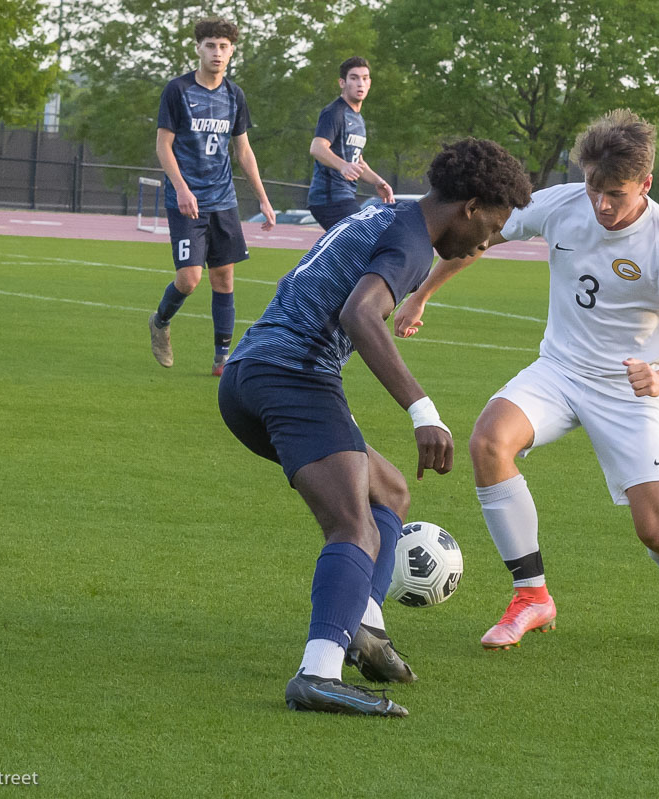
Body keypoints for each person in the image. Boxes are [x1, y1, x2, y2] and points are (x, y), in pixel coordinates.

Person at [219, 139, 532, 716]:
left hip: (251, 375)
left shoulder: (388, 212)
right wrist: (424, 412)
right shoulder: (413, 240)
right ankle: (318, 674)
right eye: (493, 223)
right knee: (353, 529)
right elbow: (359, 314)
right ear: (469, 206)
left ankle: (366, 628)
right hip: (292, 378)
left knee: (388, 490)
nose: (489, 240)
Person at [394, 110, 659, 652]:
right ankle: (531, 595)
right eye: (594, 188)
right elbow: (479, 238)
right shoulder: (563, 203)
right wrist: (422, 293)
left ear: (646, 184)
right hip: (559, 371)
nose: (601, 204)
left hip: (629, 393)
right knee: (488, 441)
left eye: (615, 193)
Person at [148, 17, 276, 377]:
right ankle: (160, 322)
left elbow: (244, 151)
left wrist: (263, 199)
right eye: (210, 45)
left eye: (223, 46)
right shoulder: (178, 90)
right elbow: (163, 146)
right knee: (189, 279)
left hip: (224, 201)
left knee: (224, 278)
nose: (217, 52)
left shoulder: (235, 95)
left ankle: (222, 359)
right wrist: (182, 188)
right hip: (186, 201)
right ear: (198, 48)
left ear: (232, 50)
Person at [306, 57, 394, 230]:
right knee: (367, 237)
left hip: (344, 197)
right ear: (342, 83)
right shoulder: (334, 112)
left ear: (369, 83)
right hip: (329, 198)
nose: (360, 83)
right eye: (354, 78)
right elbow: (317, 147)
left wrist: (378, 181)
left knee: (360, 246)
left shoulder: (358, 119)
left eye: (365, 78)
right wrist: (343, 166)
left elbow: (358, 162)